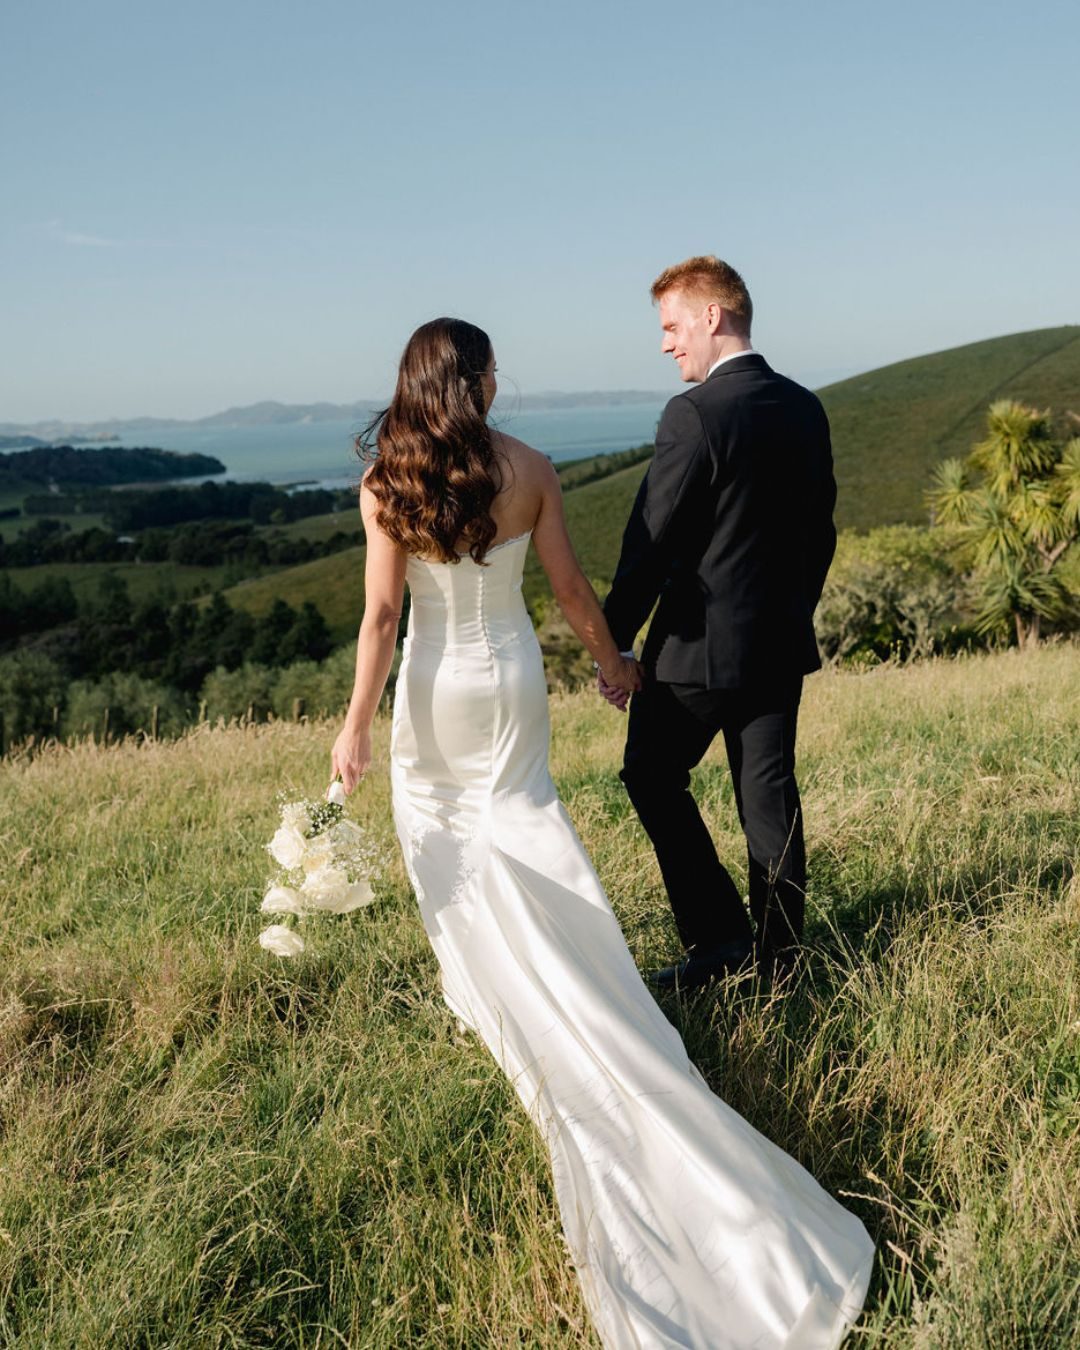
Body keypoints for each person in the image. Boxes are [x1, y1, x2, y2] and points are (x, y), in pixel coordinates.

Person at [331, 317, 872, 1348]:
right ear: (483, 382)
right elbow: (572, 593)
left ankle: (489, 973)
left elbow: (382, 622)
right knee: (527, 822)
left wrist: (355, 725)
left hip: (434, 692)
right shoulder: (529, 467)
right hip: (512, 684)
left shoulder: (380, 483)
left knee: (448, 839)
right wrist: (614, 666)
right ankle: (579, 959)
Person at [600, 257, 837, 992]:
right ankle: (783, 963)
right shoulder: (805, 407)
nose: (667, 343)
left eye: (672, 326)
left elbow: (649, 545)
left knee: (650, 776)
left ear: (712, 317)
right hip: (778, 644)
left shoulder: (693, 414)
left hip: (694, 658)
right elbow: (820, 533)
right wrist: (794, 610)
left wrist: (613, 643)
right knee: (770, 799)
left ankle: (719, 940)